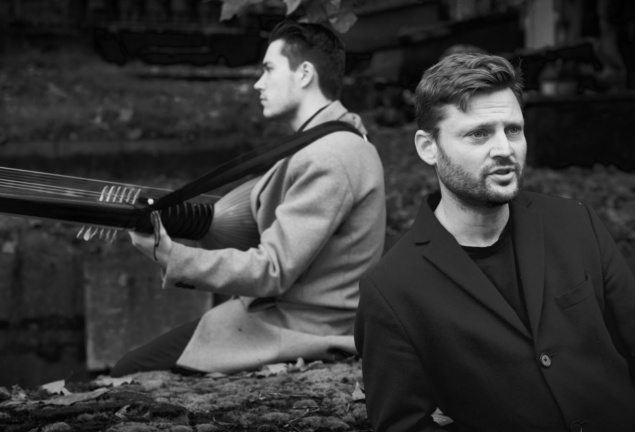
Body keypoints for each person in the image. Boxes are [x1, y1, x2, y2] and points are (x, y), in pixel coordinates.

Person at [354, 52, 635, 431]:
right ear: (428, 147)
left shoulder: (575, 222)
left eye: (513, 130)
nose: (504, 149)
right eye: (479, 133)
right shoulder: (392, 289)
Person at [111, 20, 386, 377]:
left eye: (269, 69)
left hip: (301, 327)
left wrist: (172, 256)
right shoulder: (334, 141)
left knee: (129, 371)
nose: (259, 82)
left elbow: (272, 269)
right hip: (287, 314)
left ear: (305, 74)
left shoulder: (329, 155)